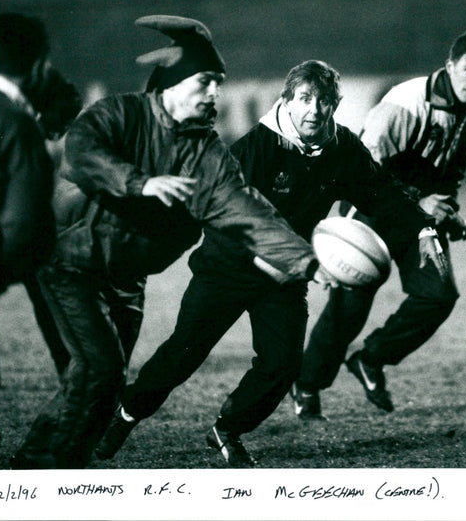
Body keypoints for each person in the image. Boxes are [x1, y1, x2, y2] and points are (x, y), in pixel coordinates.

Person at [94, 60, 447, 467]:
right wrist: (292, 262)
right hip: (227, 268)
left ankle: (227, 429)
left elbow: (382, 194)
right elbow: (228, 220)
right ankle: (127, 414)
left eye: (324, 101)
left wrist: (423, 229)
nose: (314, 109)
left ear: (335, 105)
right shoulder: (252, 149)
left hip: (286, 278)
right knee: (182, 356)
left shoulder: (342, 149)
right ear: (287, 100)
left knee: (283, 365)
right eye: (305, 99)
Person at [10, 15, 321, 469]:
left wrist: (308, 261)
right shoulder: (120, 112)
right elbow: (82, 152)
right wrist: (139, 183)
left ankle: (32, 467)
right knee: (100, 371)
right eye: (207, 82)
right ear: (173, 85)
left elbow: (248, 211)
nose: (216, 93)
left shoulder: (207, 152)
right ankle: (47, 475)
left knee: (97, 382)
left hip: (127, 279)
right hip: (72, 265)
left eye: (219, 83)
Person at [291, 29, 466, 418]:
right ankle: (306, 385)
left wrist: (448, 211)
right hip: (374, 210)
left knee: (438, 296)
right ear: (451, 65)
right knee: (349, 307)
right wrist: (419, 200)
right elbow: (364, 171)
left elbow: (452, 171)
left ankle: (370, 359)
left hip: (420, 220)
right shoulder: (405, 103)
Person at [0, 13, 77, 448]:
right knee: (49, 289)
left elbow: (67, 99)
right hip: (15, 235)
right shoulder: (10, 119)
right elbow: (24, 225)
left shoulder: (13, 107)